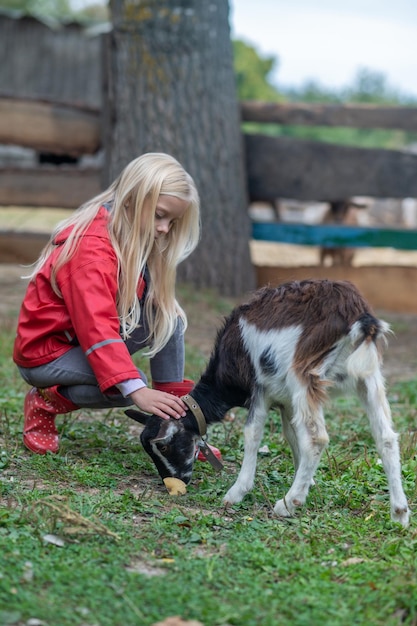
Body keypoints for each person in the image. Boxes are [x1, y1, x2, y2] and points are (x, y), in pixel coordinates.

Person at [13, 152, 219, 461]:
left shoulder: (133, 233)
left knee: (166, 316)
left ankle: (176, 423)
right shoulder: (91, 251)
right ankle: (45, 401)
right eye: (160, 215)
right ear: (132, 200)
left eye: (172, 221)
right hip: (46, 353)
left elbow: (141, 307)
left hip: (81, 341)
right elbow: (96, 328)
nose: (164, 228)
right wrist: (136, 389)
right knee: (125, 386)